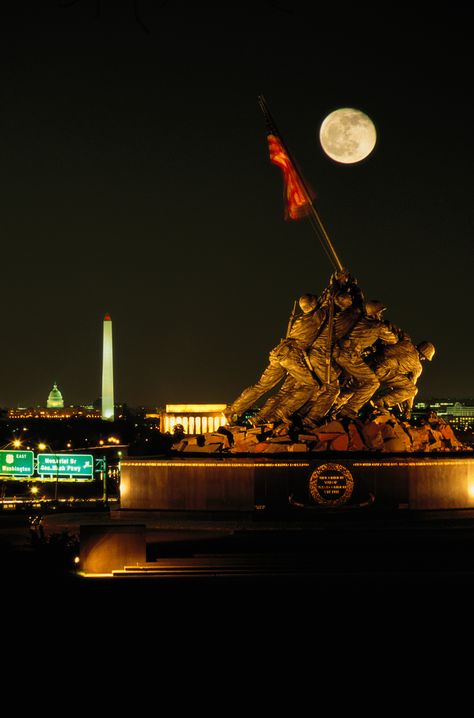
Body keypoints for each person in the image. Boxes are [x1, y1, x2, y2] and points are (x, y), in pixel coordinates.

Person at [224, 293, 325, 425]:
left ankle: (233, 410)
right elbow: (328, 305)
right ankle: (282, 413)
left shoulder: (300, 319)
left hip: (280, 351)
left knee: (261, 386)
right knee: (312, 386)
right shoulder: (317, 316)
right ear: (313, 305)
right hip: (291, 355)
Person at [332, 300, 399, 419]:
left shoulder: (359, 321)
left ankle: (335, 405)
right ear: (375, 313)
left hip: (339, 352)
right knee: (372, 382)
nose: (381, 315)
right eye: (380, 312)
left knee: (350, 384)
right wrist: (390, 328)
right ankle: (349, 409)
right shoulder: (378, 326)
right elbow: (393, 340)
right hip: (350, 356)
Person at [371, 339, 435, 418]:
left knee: (398, 380)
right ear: (423, 355)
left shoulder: (406, 343)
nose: (424, 360)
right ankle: (380, 402)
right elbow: (411, 386)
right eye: (425, 358)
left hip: (373, 362)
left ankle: (380, 397)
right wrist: (408, 408)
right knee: (412, 390)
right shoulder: (417, 367)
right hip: (382, 371)